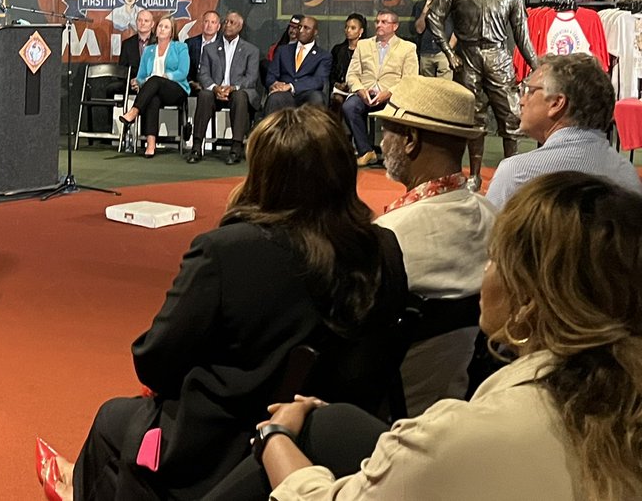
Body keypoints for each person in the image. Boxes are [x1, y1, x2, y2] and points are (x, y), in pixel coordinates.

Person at [36, 106, 409, 501]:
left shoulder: (228, 251)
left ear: (264, 175)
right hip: (334, 436)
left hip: (219, 444)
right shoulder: (382, 247)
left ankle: (80, 487)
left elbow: (153, 361)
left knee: (112, 417)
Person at [245, 171, 642, 501]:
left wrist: (274, 436)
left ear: (528, 301)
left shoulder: (459, 435)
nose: (484, 272)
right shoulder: (617, 402)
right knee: (335, 422)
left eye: (494, 258)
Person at [373, 76, 495, 415]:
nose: (383, 143)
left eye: (387, 130)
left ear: (410, 139)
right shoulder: (496, 219)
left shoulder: (388, 235)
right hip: (470, 407)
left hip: (391, 416)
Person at [427, 0, 539, 190]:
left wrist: (538, 67)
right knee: (474, 118)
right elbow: (434, 17)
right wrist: (448, 50)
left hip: (498, 57)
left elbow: (523, 35)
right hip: (468, 57)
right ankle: (474, 175)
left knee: (510, 118)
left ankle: (511, 173)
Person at [485, 52, 641, 210]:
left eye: (530, 91)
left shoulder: (516, 174)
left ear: (556, 103)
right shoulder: (627, 175)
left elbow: (490, 233)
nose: (522, 101)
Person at [342, 10, 418, 166]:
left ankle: (394, 155)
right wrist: (360, 90)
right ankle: (366, 151)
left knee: (400, 109)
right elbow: (352, 74)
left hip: (392, 94)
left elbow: (410, 79)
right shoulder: (363, 45)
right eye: (377, 22)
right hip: (366, 93)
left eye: (384, 22)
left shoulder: (407, 48)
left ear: (395, 26)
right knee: (349, 106)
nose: (379, 25)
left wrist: (388, 93)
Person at [188, 10, 261, 165]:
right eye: (226, 22)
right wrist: (215, 88)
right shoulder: (210, 48)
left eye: (232, 22)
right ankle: (196, 147)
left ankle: (236, 148)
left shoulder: (251, 50)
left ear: (240, 27)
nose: (227, 25)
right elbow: (203, 74)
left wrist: (233, 87)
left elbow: (251, 78)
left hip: (237, 92)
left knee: (240, 96)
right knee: (204, 95)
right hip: (216, 92)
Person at [118, 14, 189, 157]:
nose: (162, 29)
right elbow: (141, 76)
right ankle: (151, 145)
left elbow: (183, 72)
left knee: (155, 80)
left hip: (175, 89)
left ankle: (134, 112)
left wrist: (166, 76)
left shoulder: (180, 47)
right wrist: (137, 82)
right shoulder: (149, 50)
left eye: (166, 27)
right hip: (154, 89)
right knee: (153, 98)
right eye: (160, 26)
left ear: (172, 32)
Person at [264, 16, 331, 114]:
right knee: (275, 98)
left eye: (306, 28)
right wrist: (274, 84)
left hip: (307, 93)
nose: (301, 30)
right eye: (299, 27)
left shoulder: (323, 56)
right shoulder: (283, 50)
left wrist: (291, 86)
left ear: (315, 32)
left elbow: (318, 81)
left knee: (317, 98)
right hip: (284, 94)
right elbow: (271, 76)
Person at [412, 0, 453, 78]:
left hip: (443, 51)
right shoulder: (420, 5)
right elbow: (419, 29)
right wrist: (426, 9)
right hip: (426, 51)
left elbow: (458, 30)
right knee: (427, 88)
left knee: (444, 88)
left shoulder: (451, 4)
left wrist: (449, 50)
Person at [328, 13, 366, 103]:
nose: (348, 30)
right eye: (346, 27)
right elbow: (332, 73)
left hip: (360, 89)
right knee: (337, 99)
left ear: (361, 31)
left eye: (353, 28)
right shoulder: (338, 49)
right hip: (340, 89)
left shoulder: (367, 50)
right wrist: (337, 84)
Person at [118, 8, 155, 88]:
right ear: (136, 22)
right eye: (139, 20)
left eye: (146, 21)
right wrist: (131, 80)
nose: (142, 23)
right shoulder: (127, 44)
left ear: (152, 24)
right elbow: (122, 70)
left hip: (154, 83)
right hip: (131, 84)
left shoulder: (159, 43)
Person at [184, 9, 220, 92]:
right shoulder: (190, 43)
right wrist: (191, 82)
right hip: (195, 85)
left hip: (216, 86)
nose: (209, 25)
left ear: (218, 27)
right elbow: (185, 69)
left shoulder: (223, 44)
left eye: (213, 22)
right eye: (206, 21)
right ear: (202, 24)